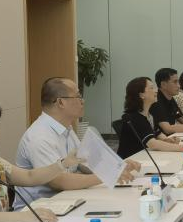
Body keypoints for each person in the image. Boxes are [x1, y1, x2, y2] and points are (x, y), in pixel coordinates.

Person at [15, 77, 138, 206]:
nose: (82, 101)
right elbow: (59, 181)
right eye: (78, 96)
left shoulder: (66, 128)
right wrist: (108, 175)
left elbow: (83, 162)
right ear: (61, 102)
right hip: (39, 208)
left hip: (66, 200)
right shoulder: (39, 136)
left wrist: (116, 166)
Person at [117, 76, 183, 158]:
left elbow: (157, 133)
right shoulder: (135, 117)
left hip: (145, 156)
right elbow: (153, 144)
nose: (156, 91)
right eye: (151, 88)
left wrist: (168, 140)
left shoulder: (148, 115)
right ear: (141, 95)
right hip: (132, 160)